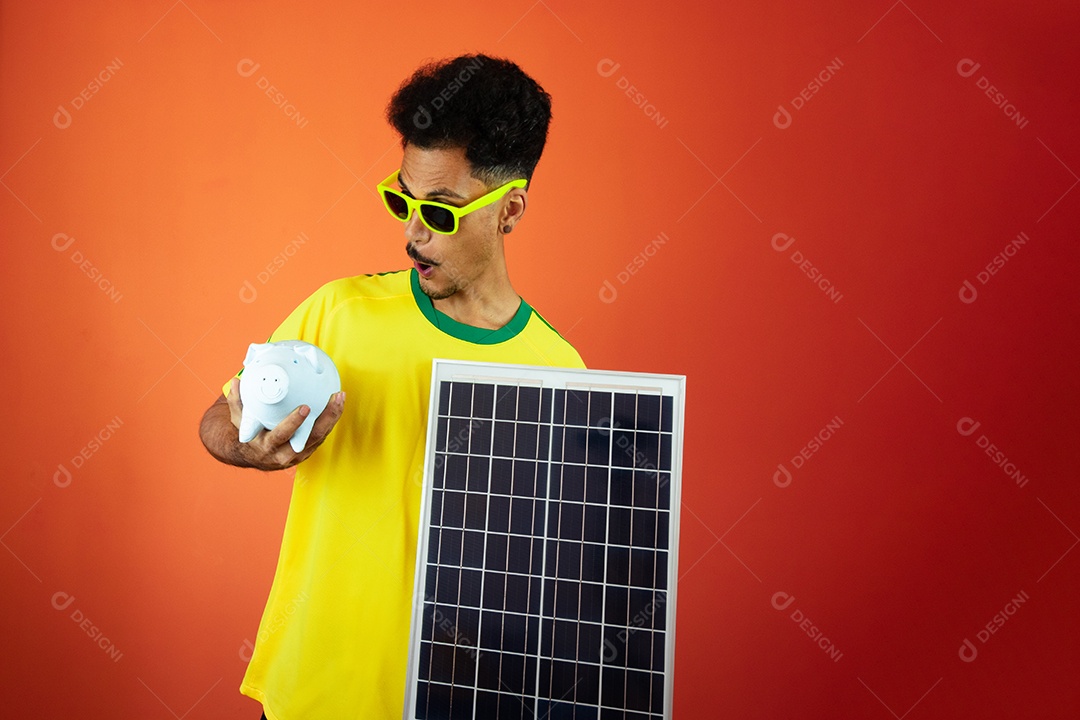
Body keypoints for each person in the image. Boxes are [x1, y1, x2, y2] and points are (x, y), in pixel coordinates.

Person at [198, 54, 584, 719]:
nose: (411, 232)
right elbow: (219, 418)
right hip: (313, 694)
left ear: (510, 210)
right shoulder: (337, 313)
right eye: (402, 200)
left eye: (439, 213)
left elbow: (555, 573)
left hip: (460, 699)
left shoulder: (560, 372)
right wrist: (244, 446)